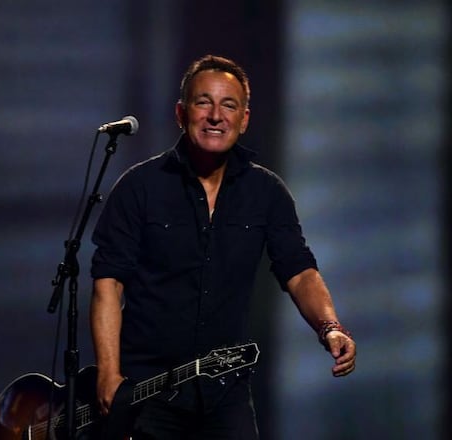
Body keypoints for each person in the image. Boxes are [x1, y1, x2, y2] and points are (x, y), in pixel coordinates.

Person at [88, 54, 356, 440]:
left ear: (244, 120)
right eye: (203, 103)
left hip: (224, 390)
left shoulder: (266, 192)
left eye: (229, 105)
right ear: (182, 113)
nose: (216, 116)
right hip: (146, 392)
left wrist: (330, 328)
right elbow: (108, 284)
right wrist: (109, 373)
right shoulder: (139, 187)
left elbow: (299, 271)